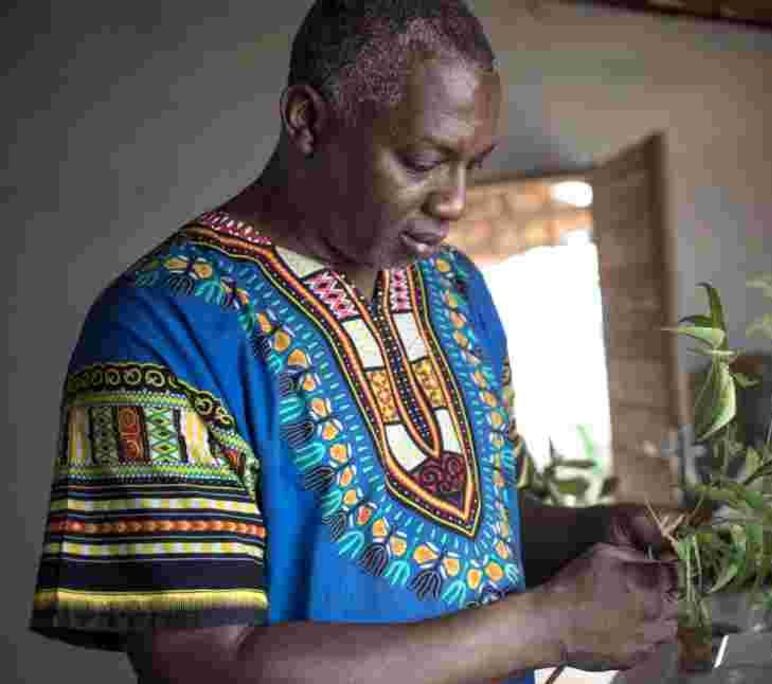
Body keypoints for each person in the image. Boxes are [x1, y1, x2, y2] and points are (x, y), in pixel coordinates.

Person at [29, 1, 680, 682]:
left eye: (474, 165)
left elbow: (484, 529)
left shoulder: (458, 291)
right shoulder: (159, 330)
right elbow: (204, 668)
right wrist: (547, 627)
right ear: (307, 121)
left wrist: (584, 534)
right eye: (423, 161)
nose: (455, 201)